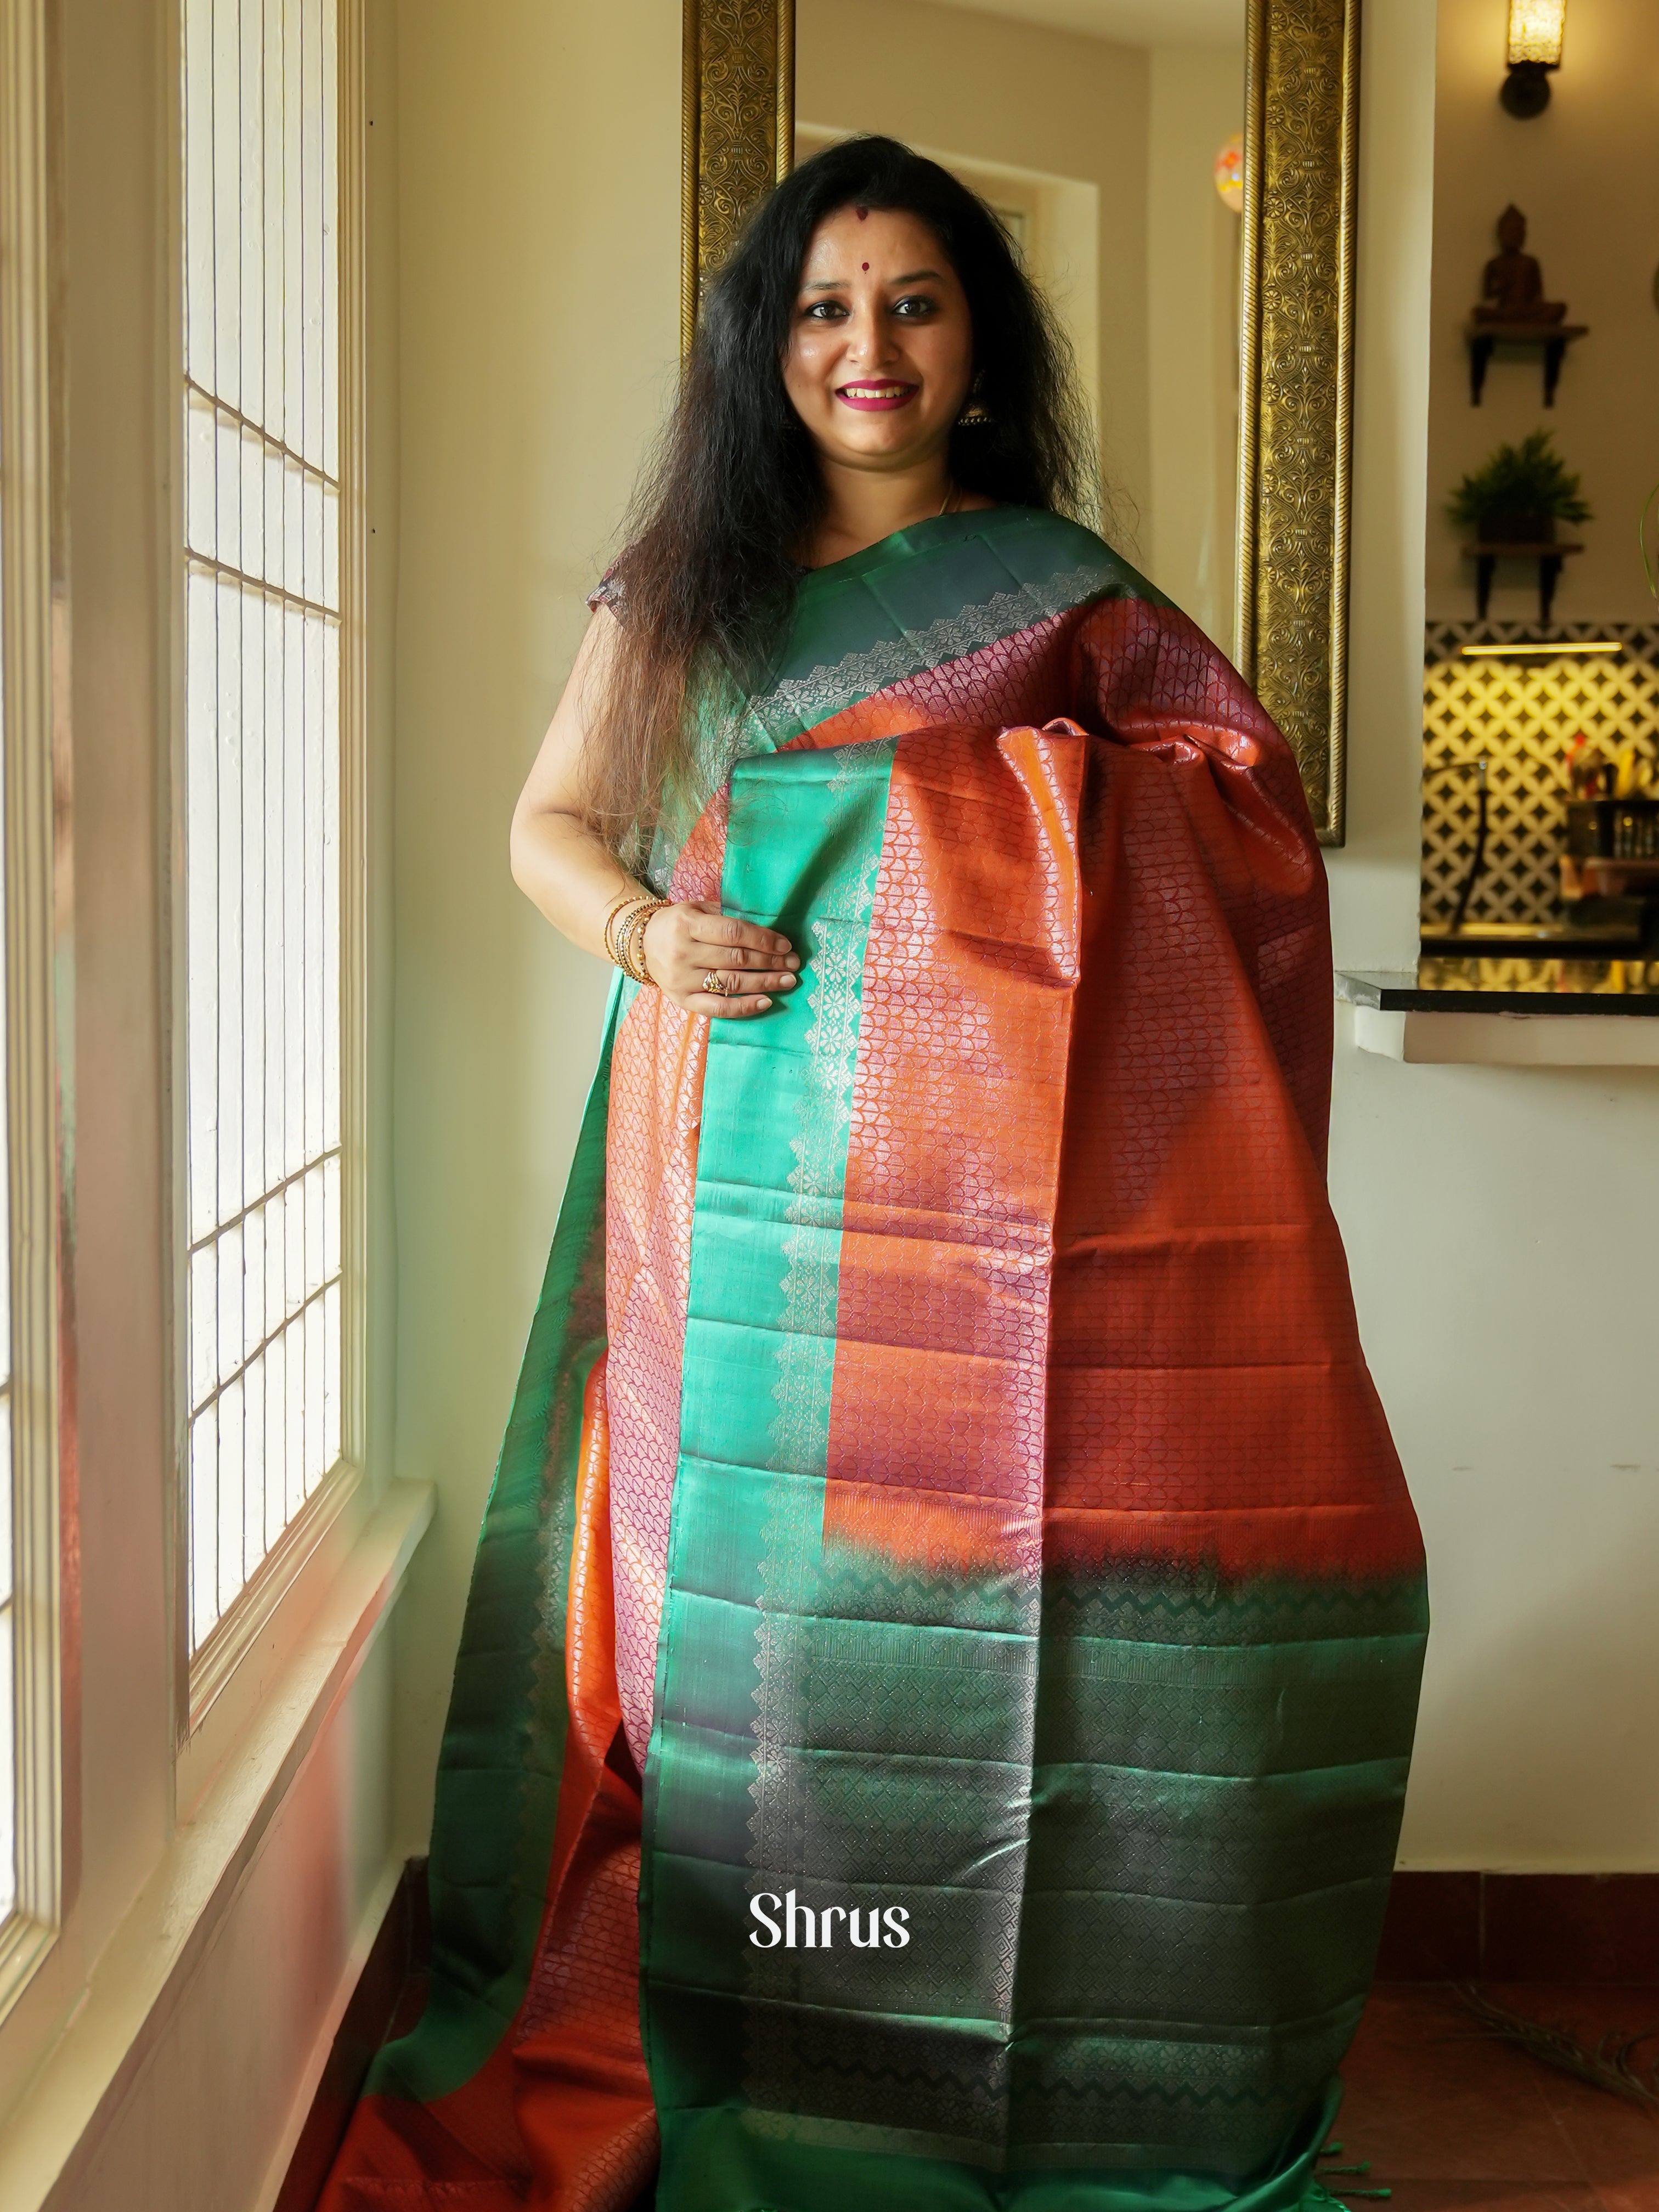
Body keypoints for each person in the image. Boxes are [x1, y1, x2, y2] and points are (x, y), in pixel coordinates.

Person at [321, 136, 1426, 2212]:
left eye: (913, 303)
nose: (869, 346)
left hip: (1011, 1238)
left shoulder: (1066, 595)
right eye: (824, 308)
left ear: (980, 348)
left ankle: (1022, 2073)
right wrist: (653, 931)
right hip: (736, 1185)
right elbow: (551, 827)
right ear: (767, 349)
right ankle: (777, 2048)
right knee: (753, 1643)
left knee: (1009, 1624)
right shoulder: (690, 588)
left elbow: (1244, 818)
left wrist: (993, 818)